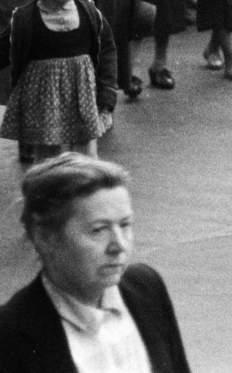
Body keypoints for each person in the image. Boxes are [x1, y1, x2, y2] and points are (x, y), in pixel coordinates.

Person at [0, 154, 193, 373]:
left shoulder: (146, 287)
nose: (118, 246)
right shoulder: (9, 336)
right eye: (98, 230)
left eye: (125, 224)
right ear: (45, 238)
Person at [1, 0, 117, 160]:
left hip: (84, 98)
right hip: (44, 102)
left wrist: (106, 96)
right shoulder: (25, 19)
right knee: (48, 159)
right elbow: (1, 50)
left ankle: (85, 191)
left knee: (86, 158)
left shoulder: (89, 13)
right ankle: (49, 190)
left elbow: (107, 51)